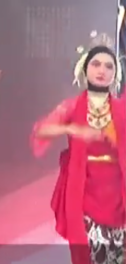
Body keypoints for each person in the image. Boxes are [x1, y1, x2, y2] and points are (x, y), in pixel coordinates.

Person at [32, 38, 125, 264]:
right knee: (89, 254)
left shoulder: (122, 109)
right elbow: (42, 130)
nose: (102, 70)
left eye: (109, 66)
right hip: (84, 192)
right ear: (85, 69)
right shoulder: (72, 106)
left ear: (115, 74)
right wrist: (71, 128)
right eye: (96, 64)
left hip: (119, 194)